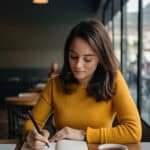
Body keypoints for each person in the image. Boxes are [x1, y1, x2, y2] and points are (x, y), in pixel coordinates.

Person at [23, 19, 142, 149]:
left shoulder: (114, 80)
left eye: (88, 59)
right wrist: (32, 135)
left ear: (100, 58)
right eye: (73, 57)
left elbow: (133, 131)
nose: (78, 65)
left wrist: (83, 134)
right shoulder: (54, 84)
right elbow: (31, 123)